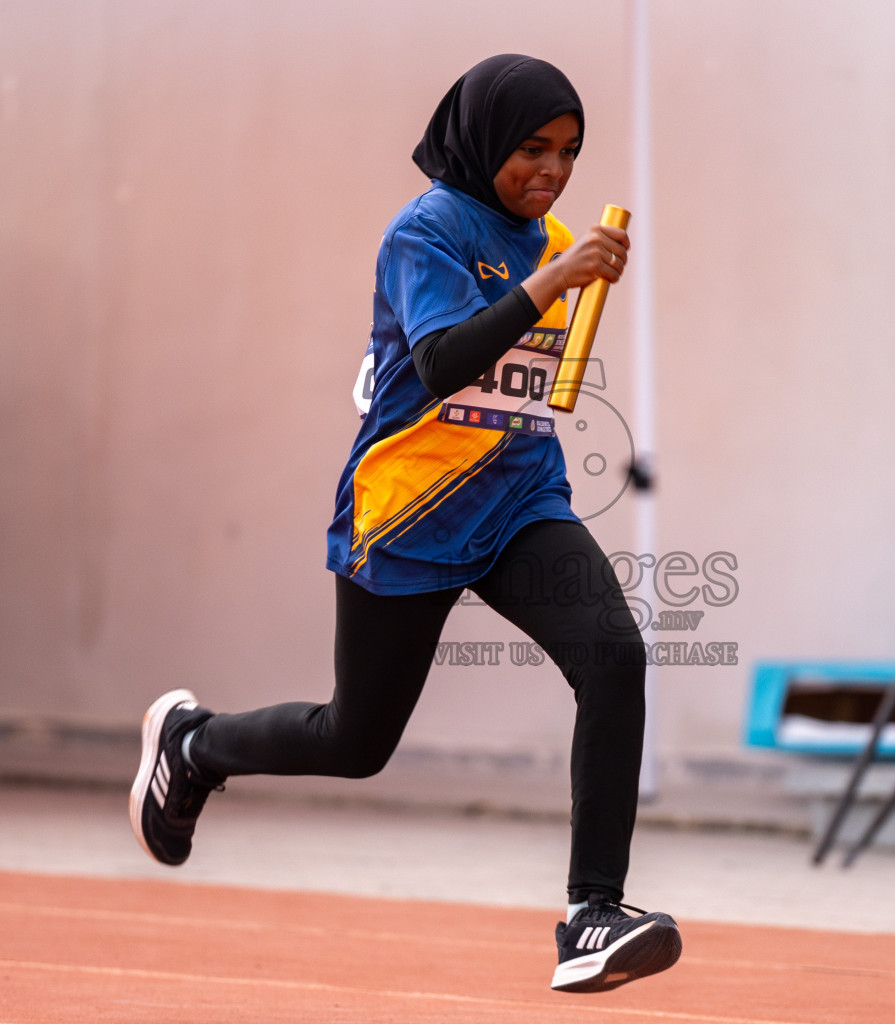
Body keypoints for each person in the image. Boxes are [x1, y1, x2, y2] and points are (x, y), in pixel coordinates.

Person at [129, 53, 681, 994]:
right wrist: (555, 282)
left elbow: (525, 385)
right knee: (355, 742)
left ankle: (591, 914)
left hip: (518, 503)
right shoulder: (425, 231)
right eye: (532, 149)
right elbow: (440, 364)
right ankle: (195, 746)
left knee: (614, 656)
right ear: (481, 139)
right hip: (409, 516)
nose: (552, 171)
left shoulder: (542, 235)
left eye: (571, 152)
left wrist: (567, 283)